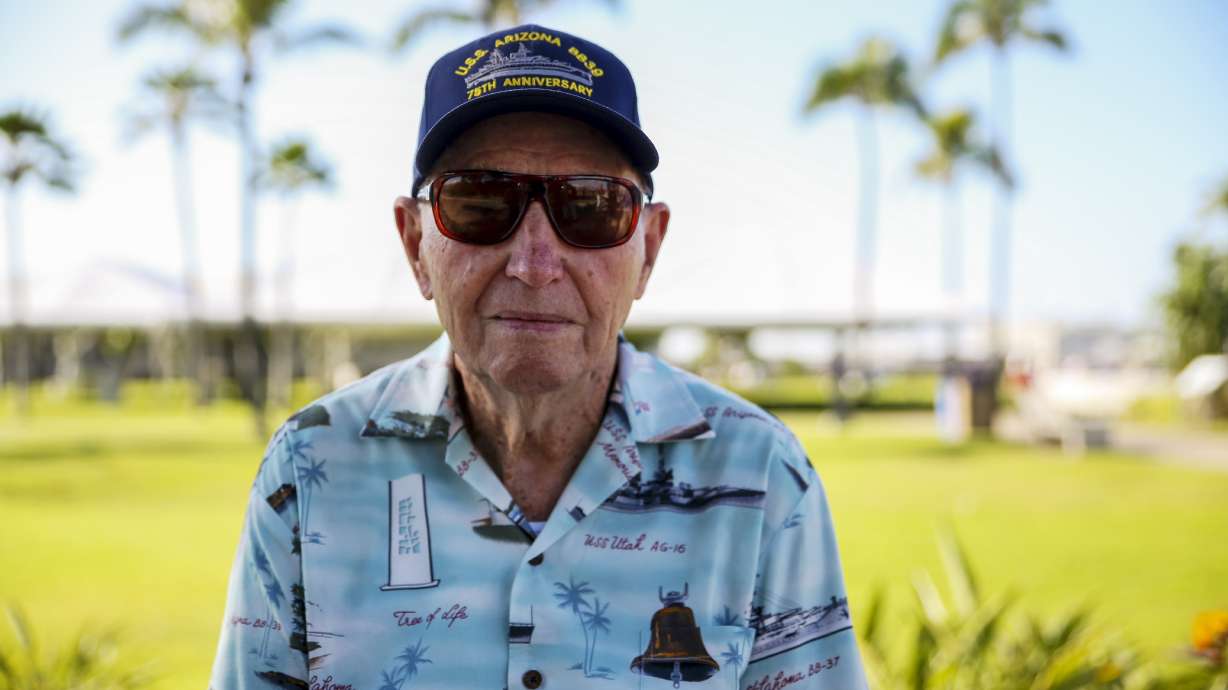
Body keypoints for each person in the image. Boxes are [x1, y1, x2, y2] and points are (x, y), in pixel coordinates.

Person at [209, 24, 868, 690]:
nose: (532, 263)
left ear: (649, 250)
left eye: (590, 207)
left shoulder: (760, 474)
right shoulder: (311, 465)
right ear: (415, 247)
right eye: (478, 203)